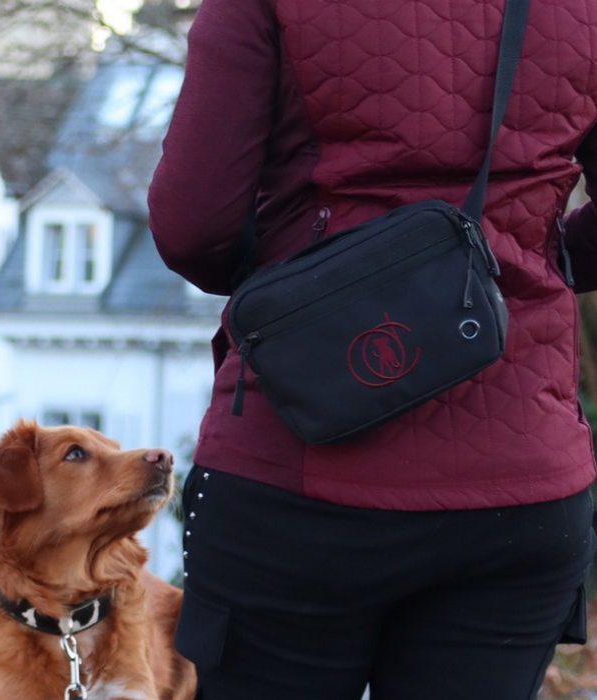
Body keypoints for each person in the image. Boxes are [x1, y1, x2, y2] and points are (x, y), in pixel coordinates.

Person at [147, 0, 597, 698]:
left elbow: (191, 228)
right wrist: (527, 266)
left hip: (299, 468)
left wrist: (304, 277)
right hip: (520, 480)